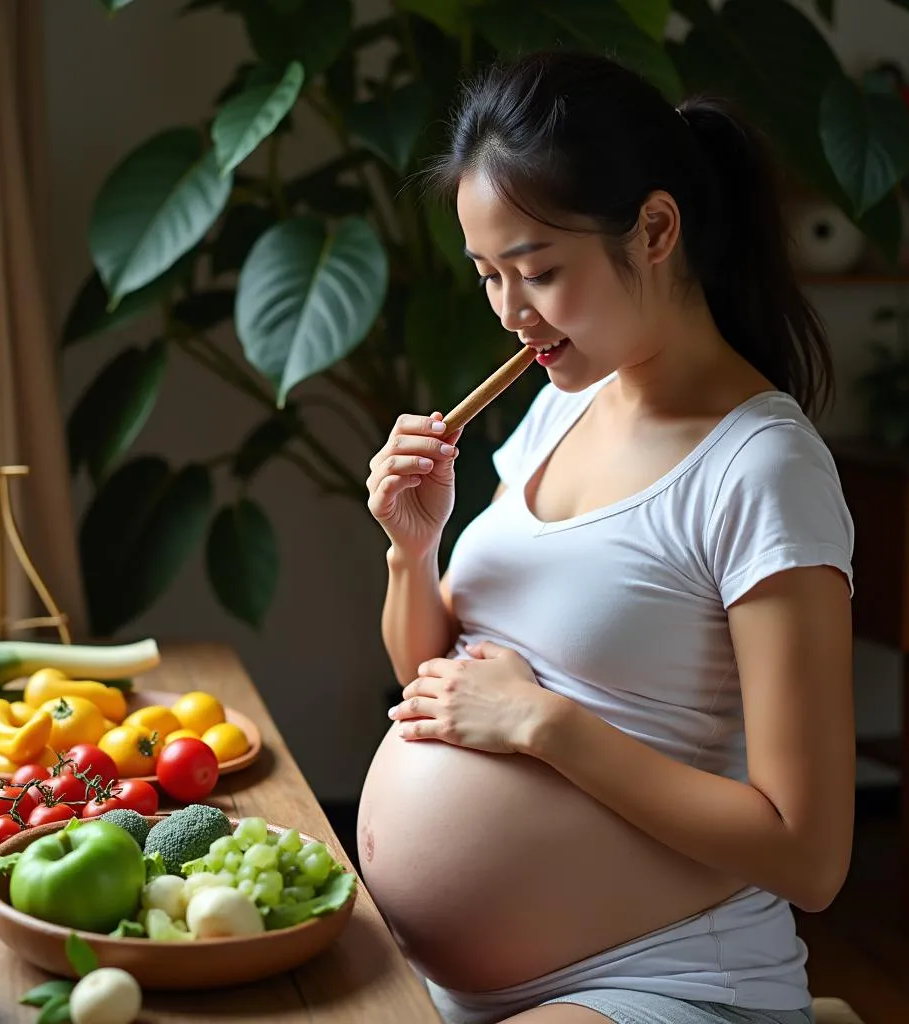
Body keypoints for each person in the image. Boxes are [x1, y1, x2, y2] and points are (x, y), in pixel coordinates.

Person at [357, 50, 855, 1024]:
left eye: (537, 271)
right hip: (456, 984)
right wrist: (410, 550)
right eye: (487, 276)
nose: (510, 314)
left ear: (656, 229)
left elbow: (810, 853)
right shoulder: (559, 408)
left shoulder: (761, 469)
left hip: (667, 981)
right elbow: (436, 680)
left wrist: (545, 726)